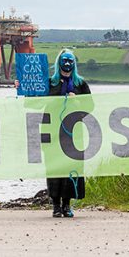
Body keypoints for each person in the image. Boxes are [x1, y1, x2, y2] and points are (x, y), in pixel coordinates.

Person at [47, 49, 90, 218]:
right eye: (64, 61)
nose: (67, 65)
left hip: (74, 131)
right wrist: (20, 88)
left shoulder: (81, 84)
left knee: (72, 167)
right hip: (52, 129)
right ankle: (56, 205)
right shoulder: (50, 83)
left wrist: (77, 100)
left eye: (70, 61)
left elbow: (90, 107)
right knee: (54, 166)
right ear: (59, 63)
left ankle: (67, 204)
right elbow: (33, 101)